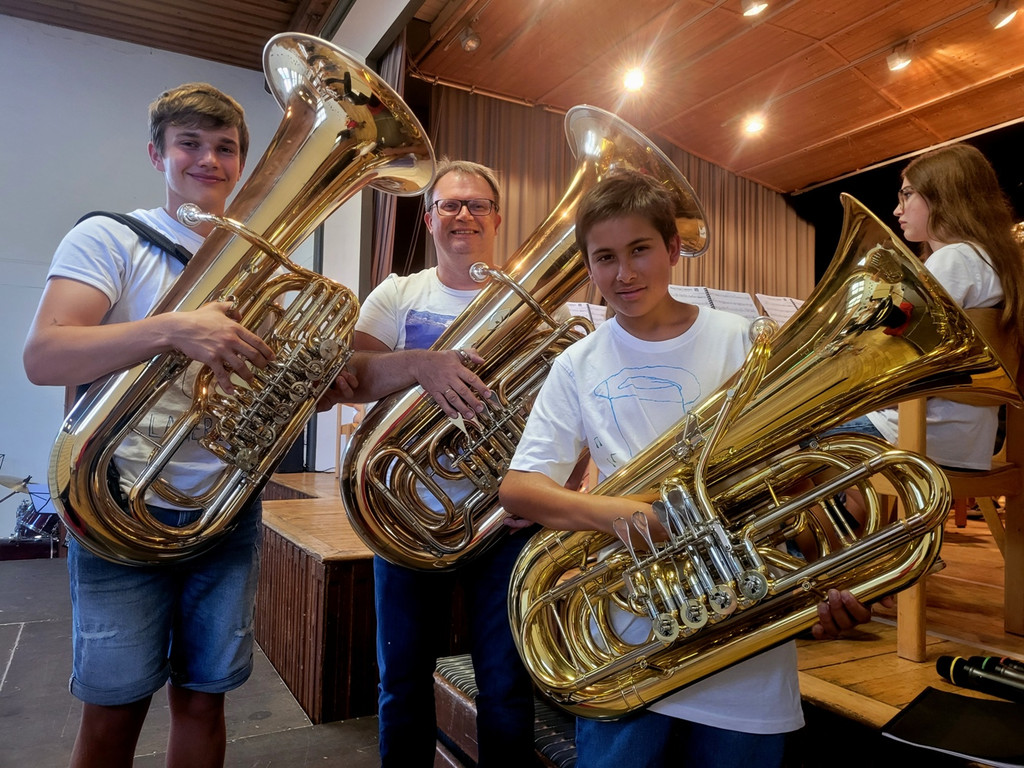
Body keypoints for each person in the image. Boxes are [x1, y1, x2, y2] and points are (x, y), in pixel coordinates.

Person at [498, 169, 875, 768]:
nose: (624, 273)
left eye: (640, 249)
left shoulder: (748, 341)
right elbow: (519, 487)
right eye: (605, 257)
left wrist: (836, 569)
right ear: (588, 266)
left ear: (674, 250)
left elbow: (828, 466)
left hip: (745, 643)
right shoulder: (577, 364)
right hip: (628, 640)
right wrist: (616, 514)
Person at [23, 83, 274, 768]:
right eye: (190, 143)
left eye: (224, 147)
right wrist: (172, 329)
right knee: (114, 706)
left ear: (241, 162)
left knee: (204, 699)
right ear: (157, 154)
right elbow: (44, 355)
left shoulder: (261, 264)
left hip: (222, 511)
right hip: (116, 505)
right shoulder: (110, 237)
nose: (208, 160)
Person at [332, 159, 540, 767]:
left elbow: (561, 404)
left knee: (505, 685)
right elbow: (346, 378)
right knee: (400, 681)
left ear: (497, 219)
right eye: (450, 205)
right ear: (428, 220)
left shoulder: (525, 302)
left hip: (501, 519)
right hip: (407, 511)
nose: (464, 215)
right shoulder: (399, 294)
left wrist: (549, 486)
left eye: (477, 205)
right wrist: (423, 363)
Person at [855, 143, 1024, 471]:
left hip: (917, 431)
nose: (897, 209)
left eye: (907, 194)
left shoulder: (955, 257)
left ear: (942, 196)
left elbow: (892, 351)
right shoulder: (996, 262)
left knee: (784, 438)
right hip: (966, 440)